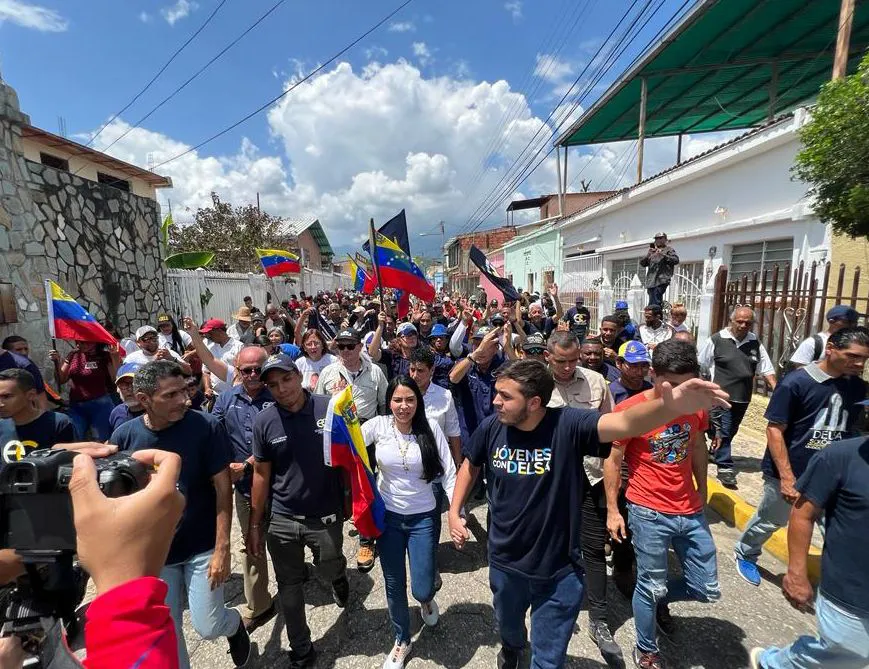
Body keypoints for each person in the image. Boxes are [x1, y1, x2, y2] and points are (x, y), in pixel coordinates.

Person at [448, 359, 728, 669]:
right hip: (505, 562)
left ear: (535, 402)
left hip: (559, 569)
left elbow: (623, 424)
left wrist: (669, 407)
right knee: (510, 629)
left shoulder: (567, 425)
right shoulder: (492, 426)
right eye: (497, 393)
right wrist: (453, 510)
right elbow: (470, 465)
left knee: (548, 659)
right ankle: (513, 648)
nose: (496, 401)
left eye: (505, 396)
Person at [111, 361, 250, 669]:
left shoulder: (205, 426)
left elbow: (223, 488)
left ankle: (234, 624)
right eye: (171, 395)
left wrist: (222, 547)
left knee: (208, 625)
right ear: (144, 399)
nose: (185, 400)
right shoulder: (124, 437)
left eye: (185, 391)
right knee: (167, 633)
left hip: (202, 546)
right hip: (157, 556)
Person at [605, 340, 720, 669]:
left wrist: (703, 486)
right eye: (672, 383)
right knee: (652, 583)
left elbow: (697, 445)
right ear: (653, 374)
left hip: (688, 506)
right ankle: (645, 649)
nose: (679, 392)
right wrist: (613, 509)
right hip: (647, 508)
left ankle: (649, 595)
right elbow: (613, 459)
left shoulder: (695, 404)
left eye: (687, 383)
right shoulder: (632, 410)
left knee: (704, 586)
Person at [734, 327, 869, 587]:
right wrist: (786, 477)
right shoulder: (797, 382)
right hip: (793, 471)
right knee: (771, 520)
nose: (860, 363)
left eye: (864, 358)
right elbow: (775, 430)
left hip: (834, 475)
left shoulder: (857, 388)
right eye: (853, 356)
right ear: (830, 348)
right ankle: (746, 552)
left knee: (836, 527)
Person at [248, 354, 348, 669]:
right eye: (273, 385)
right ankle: (302, 649)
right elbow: (261, 474)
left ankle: (338, 576)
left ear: (298, 375)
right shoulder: (265, 420)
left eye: (286, 379)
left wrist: (351, 503)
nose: (281, 389)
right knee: (288, 587)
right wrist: (254, 524)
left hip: (325, 515)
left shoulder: (328, 408)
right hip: (282, 520)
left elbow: (350, 460)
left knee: (329, 566)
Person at [361, 377, 457, 669]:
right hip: (388, 517)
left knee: (422, 587)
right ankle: (402, 640)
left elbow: (450, 472)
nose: (404, 406)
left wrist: (456, 513)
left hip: (424, 517)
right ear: (388, 401)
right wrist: (342, 408)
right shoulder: (377, 426)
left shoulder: (431, 429)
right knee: (393, 582)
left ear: (418, 402)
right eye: (397, 400)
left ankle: (426, 600)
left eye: (410, 400)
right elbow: (343, 439)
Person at [749, 435, 869, 669]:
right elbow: (803, 513)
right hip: (850, 594)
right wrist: (796, 574)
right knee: (845, 653)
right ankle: (773, 664)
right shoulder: (841, 456)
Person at [544, 331, 622, 665]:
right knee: (548, 541)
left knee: (592, 547)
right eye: (560, 361)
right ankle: (547, 605)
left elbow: (612, 430)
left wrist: (614, 498)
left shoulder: (595, 382)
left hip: (590, 476)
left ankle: (599, 620)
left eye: (572, 360)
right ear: (548, 356)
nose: (567, 368)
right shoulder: (535, 382)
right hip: (548, 479)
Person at [212, 346, 278, 631]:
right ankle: (260, 604)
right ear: (237, 370)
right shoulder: (226, 400)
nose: (252, 375)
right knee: (252, 544)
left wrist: (247, 464)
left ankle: (301, 572)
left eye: (257, 369)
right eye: (245, 370)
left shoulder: (279, 395)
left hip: (281, 484)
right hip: (244, 490)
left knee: (288, 540)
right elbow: (212, 434)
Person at [317, 328, 389, 573]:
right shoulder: (327, 373)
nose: (345, 351)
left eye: (350, 346)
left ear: (360, 347)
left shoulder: (375, 372)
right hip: (338, 440)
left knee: (365, 488)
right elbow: (318, 409)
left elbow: (383, 406)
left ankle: (367, 540)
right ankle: (330, 544)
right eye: (341, 346)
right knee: (339, 489)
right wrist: (334, 399)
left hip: (365, 439)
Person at [699, 306, 776, 488]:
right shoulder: (717, 340)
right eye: (739, 321)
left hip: (742, 397)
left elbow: (766, 368)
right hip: (719, 396)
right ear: (731, 321)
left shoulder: (754, 342)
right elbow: (702, 364)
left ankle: (715, 449)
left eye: (747, 323)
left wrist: (776, 388)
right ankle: (725, 467)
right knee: (724, 430)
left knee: (731, 430)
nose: (743, 325)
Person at [0, 369, 75, 464]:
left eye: (6, 397)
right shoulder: (2, 426)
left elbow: (70, 462)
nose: (1, 404)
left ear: (30, 395)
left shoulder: (58, 423)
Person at [49, 340, 119, 440]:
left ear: (95, 342)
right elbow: (61, 380)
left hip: (101, 405)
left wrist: (115, 358)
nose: (83, 345)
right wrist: (57, 361)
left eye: (87, 342)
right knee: (74, 437)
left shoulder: (105, 356)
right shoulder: (73, 355)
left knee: (102, 439)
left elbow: (115, 379)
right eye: (80, 342)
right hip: (76, 406)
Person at [449, 325, 505, 439]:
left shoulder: (503, 367)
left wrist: (508, 347)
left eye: (486, 346)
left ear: (495, 349)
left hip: (496, 436)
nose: (481, 349)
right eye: (477, 344)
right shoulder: (465, 364)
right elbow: (453, 377)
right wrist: (476, 353)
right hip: (469, 436)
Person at [186, 319, 244, 398]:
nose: (207, 336)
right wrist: (207, 388)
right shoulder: (209, 349)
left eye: (210, 333)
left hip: (236, 394)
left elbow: (242, 371)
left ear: (219, 331)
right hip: (216, 395)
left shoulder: (239, 346)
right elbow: (206, 371)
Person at [789, 304, 860, 368]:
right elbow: (800, 369)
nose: (852, 325)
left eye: (855, 322)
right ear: (831, 321)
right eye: (847, 322)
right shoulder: (814, 342)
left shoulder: (854, 342)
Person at [125, 326, 193, 375]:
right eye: (146, 339)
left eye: (154, 338)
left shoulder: (169, 353)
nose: (151, 341)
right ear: (138, 342)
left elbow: (189, 371)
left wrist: (172, 359)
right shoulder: (132, 359)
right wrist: (155, 362)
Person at [639, 232, 679, 307]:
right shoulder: (652, 252)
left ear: (665, 239)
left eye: (660, 238)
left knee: (655, 303)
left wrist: (663, 255)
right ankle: (654, 316)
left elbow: (676, 260)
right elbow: (642, 263)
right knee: (652, 303)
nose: (658, 240)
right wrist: (648, 254)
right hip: (651, 281)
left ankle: (656, 317)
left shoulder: (669, 250)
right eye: (656, 239)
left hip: (661, 280)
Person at [108, 361, 145, 431]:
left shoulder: (158, 412)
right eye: (123, 385)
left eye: (135, 384)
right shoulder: (117, 412)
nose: (130, 389)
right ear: (118, 389)